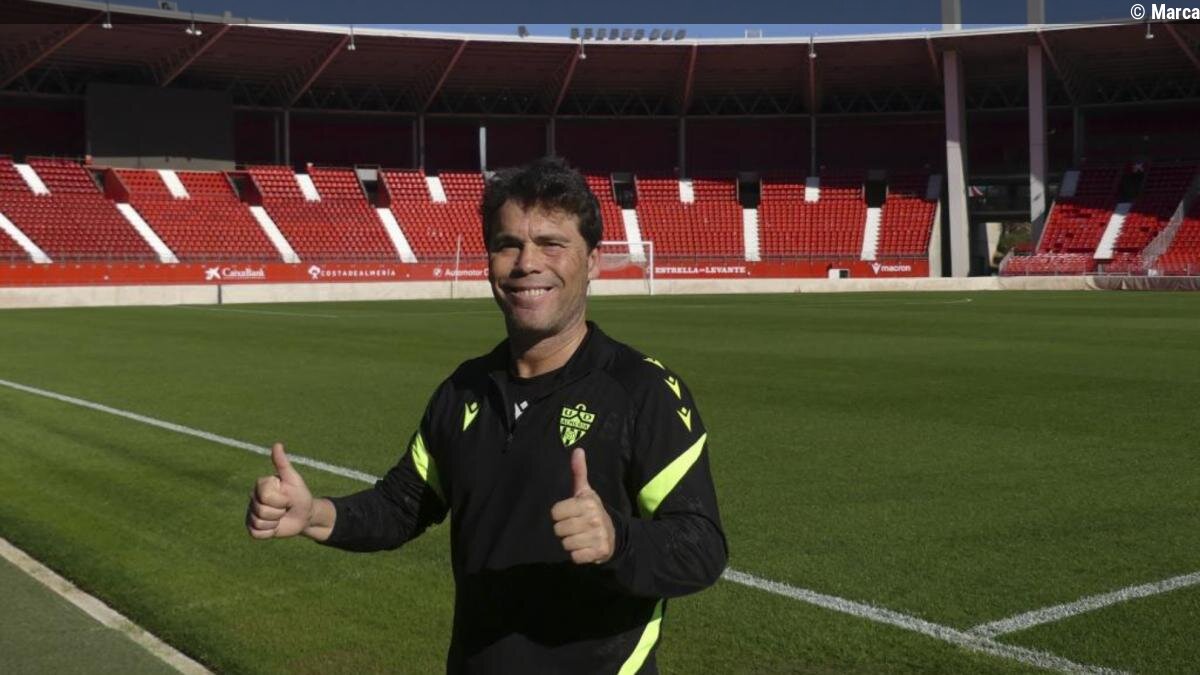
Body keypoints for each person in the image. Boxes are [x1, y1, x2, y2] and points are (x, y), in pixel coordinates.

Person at [245, 157, 727, 673]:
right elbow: (402, 505)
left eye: (552, 243)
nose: (526, 263)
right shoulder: (463, 389)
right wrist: (315, 514)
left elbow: (702, 546)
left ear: (592, 262)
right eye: (507, 244)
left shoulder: (641, 391)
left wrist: (616, 539)